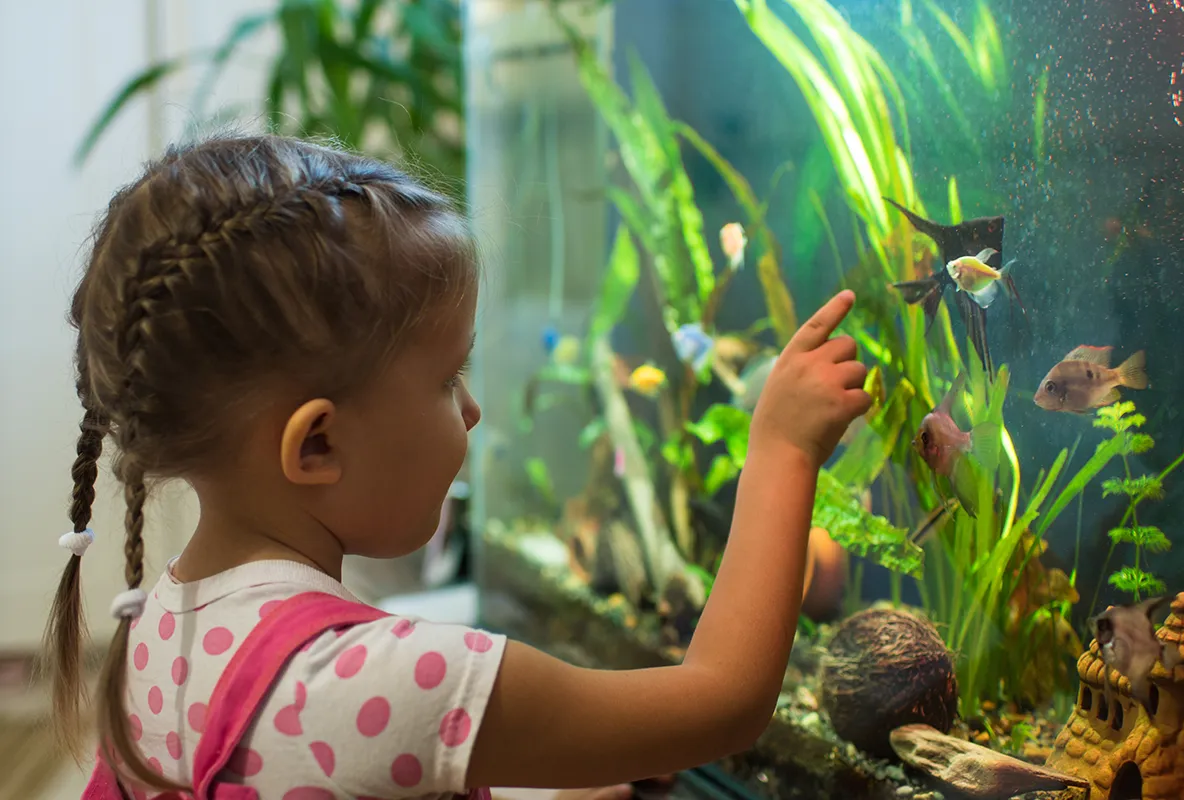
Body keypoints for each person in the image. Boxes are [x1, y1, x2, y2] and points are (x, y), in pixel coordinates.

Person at [43, 134, 871, 799]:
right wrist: (782, 452)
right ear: (316, 445)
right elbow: (721, 704)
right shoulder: (391, 679)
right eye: (446, 380)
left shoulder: (158, 628)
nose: (471, 410)